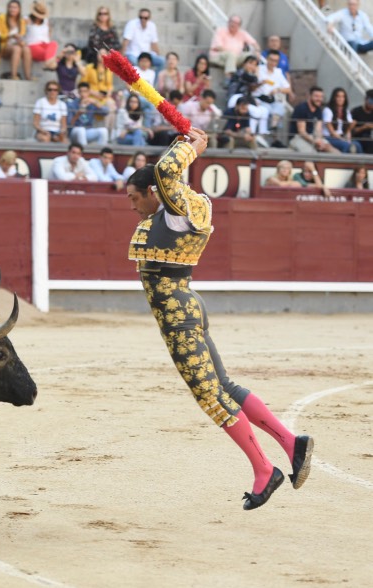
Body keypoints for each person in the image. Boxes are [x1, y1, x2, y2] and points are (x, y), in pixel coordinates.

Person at [126, 128, 314, 511]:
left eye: (134, 198)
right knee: (224, 385)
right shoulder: (182, 208)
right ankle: (291, 443)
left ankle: (265, 469)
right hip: (188, 306)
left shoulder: (177, 213)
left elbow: (164, 173)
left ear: (153, 193)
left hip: (178, 317)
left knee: (210, 396)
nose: (132, 206)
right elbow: (165, 174)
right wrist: (178, 141)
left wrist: (190, 147)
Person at [289, 86, 337, 153]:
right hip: (297, 138)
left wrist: (319, 140)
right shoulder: (302, 108)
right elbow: (302, 132)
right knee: (312, 153)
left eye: (321, 97)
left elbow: (318, 130)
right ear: (310, 96)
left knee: (331, 150)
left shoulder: (318, 110)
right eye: (316, 96)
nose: (319, 99)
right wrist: (315, 142)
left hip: (312, 137)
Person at [253, 49, 291, 131]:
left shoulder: (278, 72)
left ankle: (273, 127)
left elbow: (288, 89)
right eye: (271, 60)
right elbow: (253, 85)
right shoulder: (259, 69)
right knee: (267, 110)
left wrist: (278, 89)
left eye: (276, 61)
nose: (273, 63)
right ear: (267, 59)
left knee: (279, 107)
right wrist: (262, 83)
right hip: (260, 98)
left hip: (273, 99)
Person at [0, 0, 31, 81]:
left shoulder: (21, 21)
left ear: (19, 9)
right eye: (10, 7)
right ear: (7, 8)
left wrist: (20, 41)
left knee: (26, 49)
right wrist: (10, 35)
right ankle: (13, 75)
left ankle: (28, 76)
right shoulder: (1, 18)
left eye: (15, 7)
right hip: (4, 45)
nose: (12, 9)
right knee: (17, 48)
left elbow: (23, 35)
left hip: (17, 44)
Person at [68, 81, 109, 147]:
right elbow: (69, 124)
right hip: (75, 132)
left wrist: (95, 102)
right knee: (81, 130)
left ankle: (101, 155)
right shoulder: (72, 104)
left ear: (89, 92)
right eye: (81, 91)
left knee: (103, 131)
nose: (83, 94)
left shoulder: (92, 103)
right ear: (78, 92)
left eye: (85, 91)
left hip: (88, 131)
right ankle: (84, 154)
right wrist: (78, 114)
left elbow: (106, 112)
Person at [322, 87, 362, 153]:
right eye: (338, 97)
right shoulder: (328, 110)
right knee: (346, 145)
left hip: (342, 136)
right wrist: (342, 139)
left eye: (343, 97)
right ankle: (344, 162)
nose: (341, 99)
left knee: (357, 145)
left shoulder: (346, 111)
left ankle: (361, 163)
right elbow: (331, 132)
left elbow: (348, 130)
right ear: (334, 98)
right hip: (330, 137)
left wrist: (348, 138)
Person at [25, 1, 57, 70]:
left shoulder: (45, 21)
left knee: (54, 43)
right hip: (33, 45)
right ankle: (50, 62)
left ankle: (48, 62)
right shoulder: (27, 19)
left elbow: (48, 35)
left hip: (45, 45)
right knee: (51, 57)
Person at [349, 88, 373, 154]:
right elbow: (350, 131)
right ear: (366, 99)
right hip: (356, 139)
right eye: (371, 101)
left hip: (368, 139)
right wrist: (364, 127)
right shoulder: (356, 111)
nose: (372, 104)